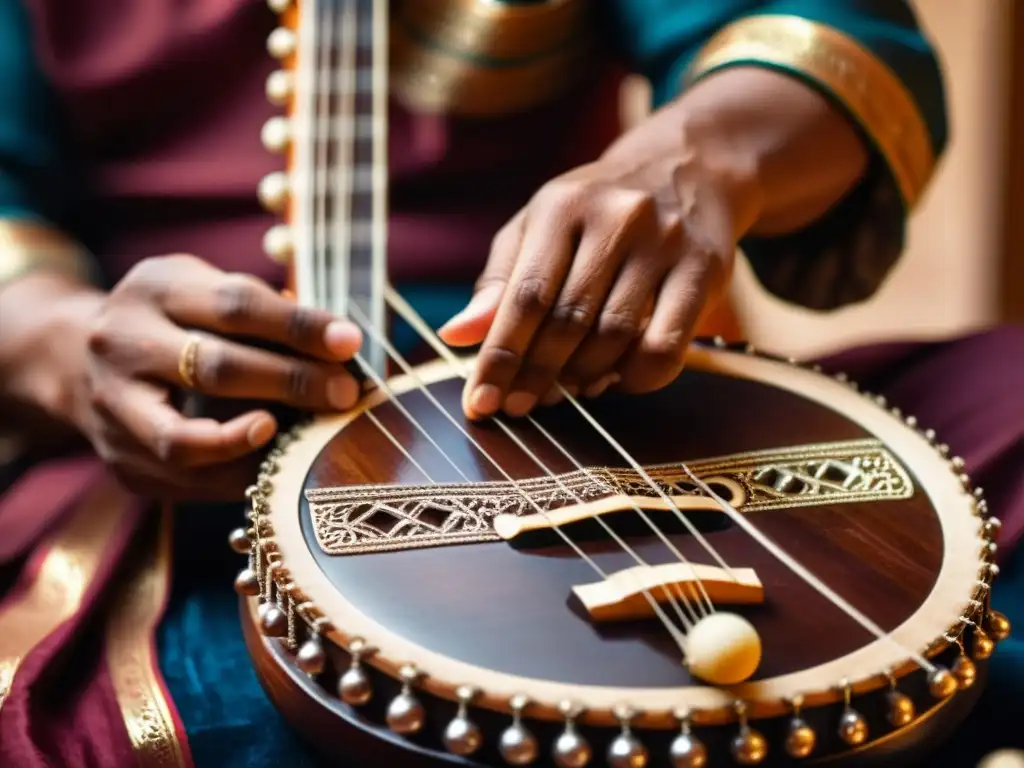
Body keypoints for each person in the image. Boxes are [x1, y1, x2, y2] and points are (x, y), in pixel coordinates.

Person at [0, 0, 1020, 766]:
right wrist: (67, 341)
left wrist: (694, 160)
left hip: (585, 379)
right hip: (186, 416)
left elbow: (816, 28)